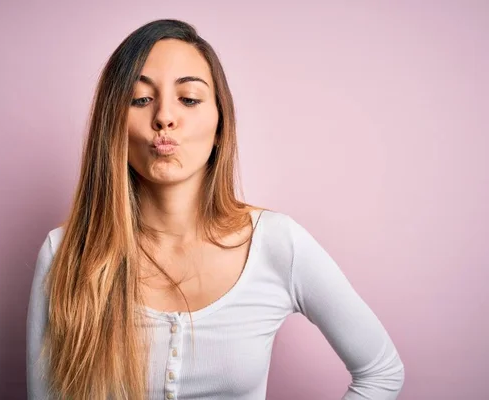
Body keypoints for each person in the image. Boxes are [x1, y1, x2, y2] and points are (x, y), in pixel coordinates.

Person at [26, 18, 405, 400]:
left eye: (189, 99)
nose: (164, 117)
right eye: (140, 99)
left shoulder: (276, 242)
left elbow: (381, 372)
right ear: (113, 124)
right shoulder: (65, 255)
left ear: (221, 123)